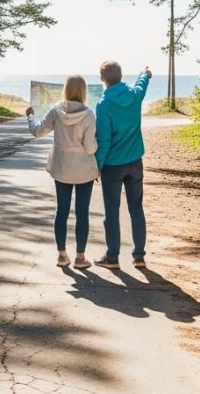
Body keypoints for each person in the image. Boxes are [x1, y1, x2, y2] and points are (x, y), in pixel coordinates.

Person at [25, 75, 99, 269]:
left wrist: (30, 116)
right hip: (84, 170)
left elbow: (38, 131)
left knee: (62, 210)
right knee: (82, 213)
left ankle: (62, 255)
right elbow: (91, 149)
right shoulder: (89, 115)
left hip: (61, 168)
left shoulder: (56, 111)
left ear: (65, 89)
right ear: (83, 91)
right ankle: (80, 258)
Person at [93, 61, 152, 270]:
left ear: (102, 80)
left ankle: (112, 258)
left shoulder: (103, 105)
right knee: (136, 208)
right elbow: (142, 83)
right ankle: (139, 257)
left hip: (112, 166)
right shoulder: (135, 96)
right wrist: (144, 72)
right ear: (120, 76)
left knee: (112, 211)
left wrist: (97, 165)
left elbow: (104, 140)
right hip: (135, 162)